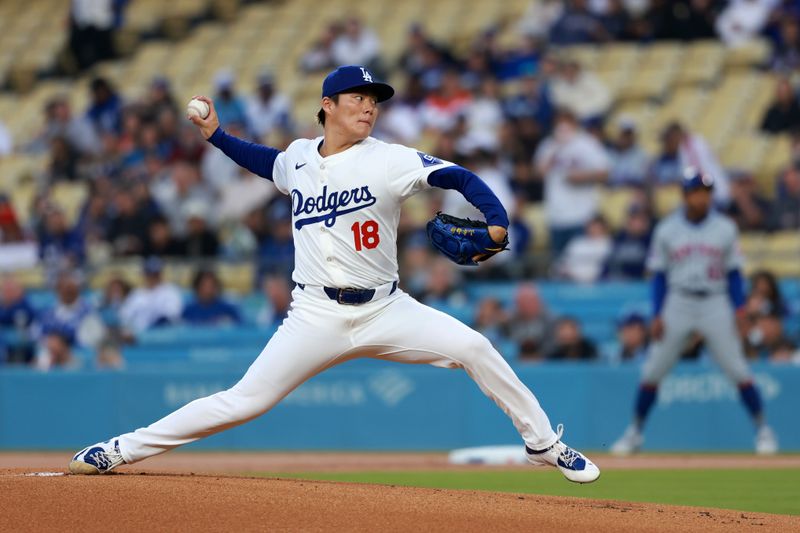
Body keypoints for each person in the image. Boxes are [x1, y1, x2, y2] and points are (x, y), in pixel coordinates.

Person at [69, 65, 599, 483]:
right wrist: (215, 135)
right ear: (328, 105)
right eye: (357, 99)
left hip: (386, 308)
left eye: (374, 101)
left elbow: (456, 175)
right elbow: (264, 160)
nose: (368, 107)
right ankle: (121, 449)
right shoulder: (299, 157)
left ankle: (542, 446)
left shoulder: (388, 159)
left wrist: (498, 222)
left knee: (476, 348)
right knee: (243, 402)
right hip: (315, 313)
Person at [611, 169, 778, 455]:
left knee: (737, 368)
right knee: (653, 369)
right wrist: (659, 313)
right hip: (679, 300)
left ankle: (763, 430)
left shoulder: (725, 227)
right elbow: (660, 276)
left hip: (715, 300)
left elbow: (734, 273)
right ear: (686, 194)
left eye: (706, 192)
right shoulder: (667, 229)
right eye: (696, 191)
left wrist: (739, 308)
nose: (702, 197)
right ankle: (635, 431)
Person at [535, 109, 610, 254]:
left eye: (566, 122)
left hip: (582, 216)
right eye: (559, 122)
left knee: (580, 264)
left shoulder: (587, 143)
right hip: (556, 217)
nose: (562, 126)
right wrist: (554, 151)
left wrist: (582, 177)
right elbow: (538, 173)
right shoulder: (548, 145)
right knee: (560, 267)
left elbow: (604, 172)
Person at [118, 257, 183, 334]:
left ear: (160, 274)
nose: (152, 277)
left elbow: (172, 316)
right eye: (149, 273)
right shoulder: (136, 293)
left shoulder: (171, 291)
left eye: (155, 274)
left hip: (162, 335)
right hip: (139, 335)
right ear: (144, 274)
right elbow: (124, 316)